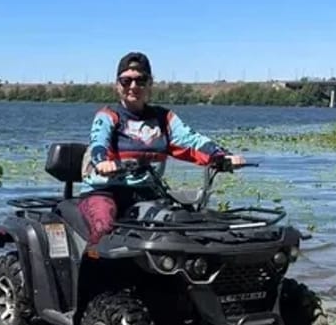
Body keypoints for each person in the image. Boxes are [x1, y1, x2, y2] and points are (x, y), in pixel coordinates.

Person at [78, 51, 245, 243]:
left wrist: (221, 156)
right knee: (103, 225)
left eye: (141, 80)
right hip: (104, 191)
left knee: (179, 224)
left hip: (146, 191)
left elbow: (191, 141)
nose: (133, 86)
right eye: (126, 81)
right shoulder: (108, 116)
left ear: (150, 84)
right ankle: (94, 265)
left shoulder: (163, 119)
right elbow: (99, 143)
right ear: (118, 85)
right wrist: (102, 162)